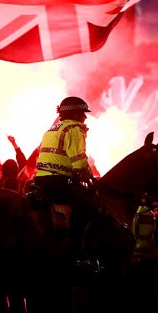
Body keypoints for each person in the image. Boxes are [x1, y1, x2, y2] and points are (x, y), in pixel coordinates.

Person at [34, 96, 99, 258]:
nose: (85, 117)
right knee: (91, 209)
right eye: (83, 113)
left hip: (40, 180)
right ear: (75, 113)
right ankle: (75, 254)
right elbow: (79, 163)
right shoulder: (75, 130)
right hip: (59, 182)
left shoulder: (52, 130)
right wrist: (91, 176)